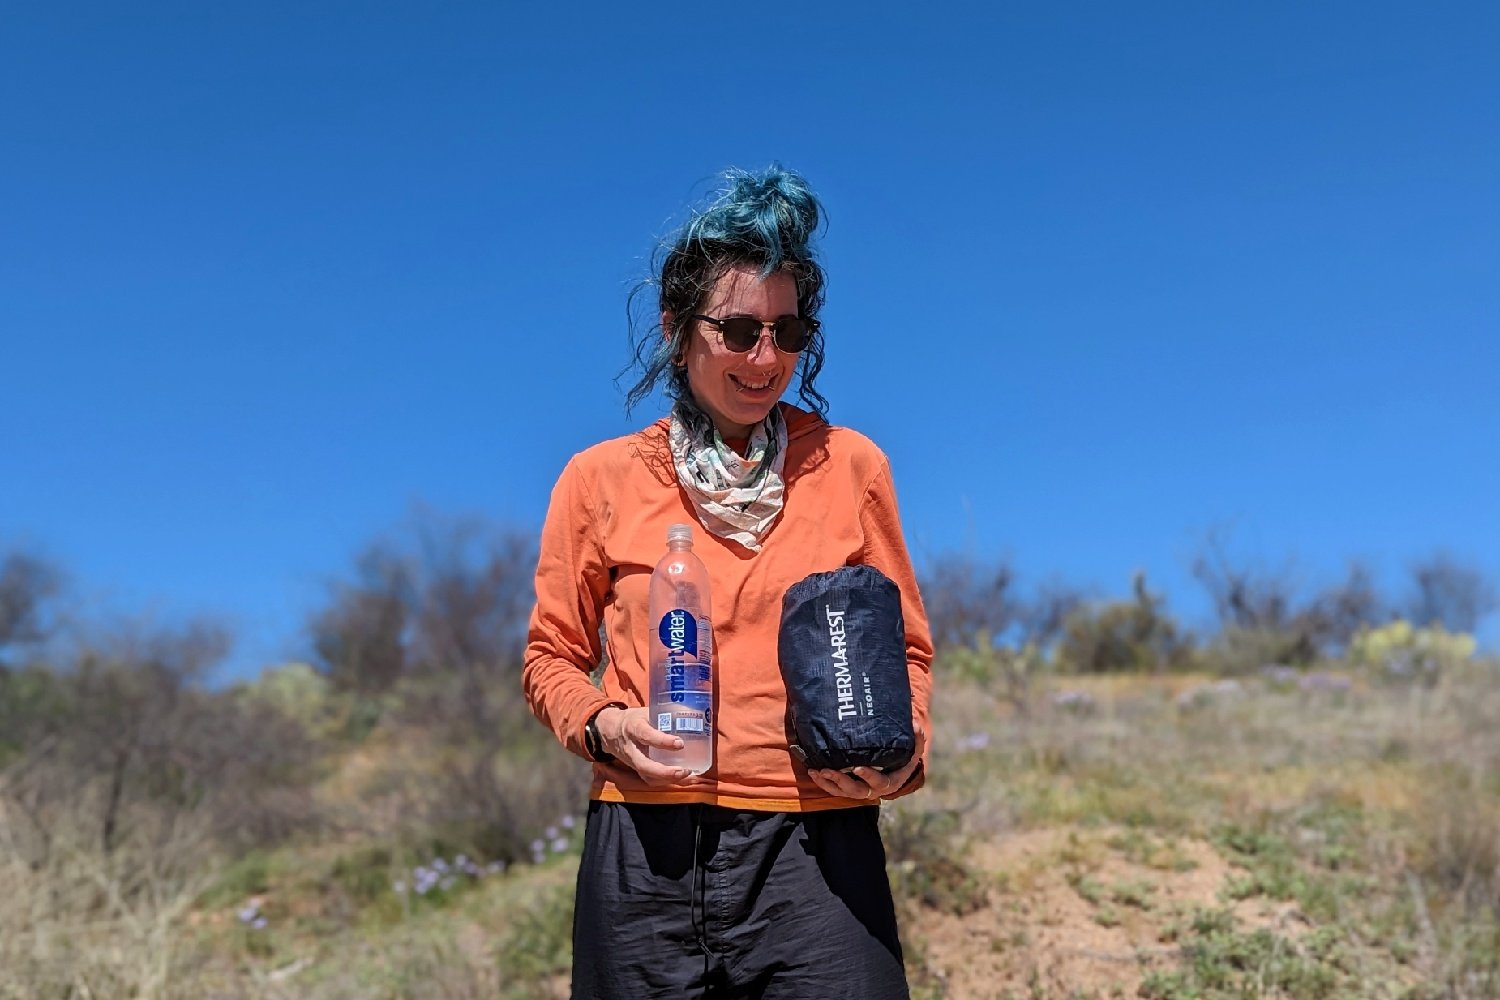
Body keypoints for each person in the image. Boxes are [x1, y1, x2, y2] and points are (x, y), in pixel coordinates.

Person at [522, 165, 933, 999]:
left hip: (819, 851)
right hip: (644, 847)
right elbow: (549, 659)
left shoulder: (851, 467)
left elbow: (907, 654)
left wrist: (904, 755)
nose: (766, 357)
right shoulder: (599, 479)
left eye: (789, 331)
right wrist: (603, 728)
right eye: (739, 330)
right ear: (678, 328)